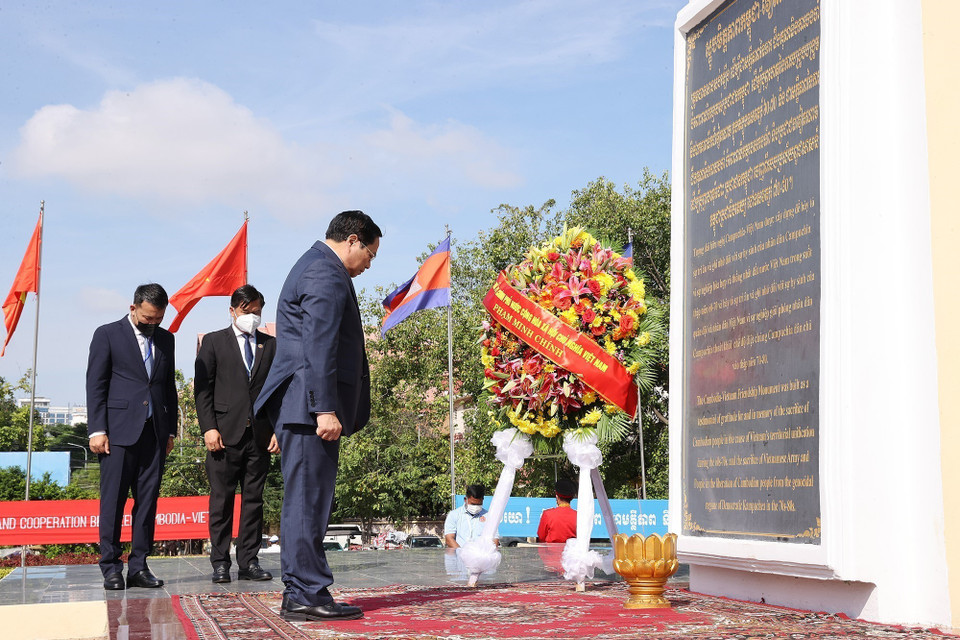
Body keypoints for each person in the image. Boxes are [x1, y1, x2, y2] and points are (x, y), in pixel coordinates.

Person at [254, 210, 380, 622]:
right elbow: (319, 346)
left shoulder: (313, 265)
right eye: (370, 255)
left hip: (302, 405)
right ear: (354, 240)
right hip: (311, 408)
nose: (368, 265)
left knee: (305, 501)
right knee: (308, 502)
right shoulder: (324, 273)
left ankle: (303, 590)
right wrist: (324, 408)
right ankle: (306, 592)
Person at [86, 283, 177, 590]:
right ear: (133, 307)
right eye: (148, 318)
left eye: (158, 319)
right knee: (112, 502)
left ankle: (139, 566)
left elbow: (168, 387)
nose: (153, 324)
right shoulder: (107, 334)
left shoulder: (166, 339)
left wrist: (171, 429)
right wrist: (97, 429)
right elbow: (96, 384)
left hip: (154, 433)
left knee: (147, 502)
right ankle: (111, 566)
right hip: (117, 434)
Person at [195, 284, 280, 584]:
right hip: (223, 437)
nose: (252, 317)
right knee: (221, 502)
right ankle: (220, 562)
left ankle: (249, 561)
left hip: (260, 436)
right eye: (247, 311)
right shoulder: (214, 342)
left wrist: (277, 430)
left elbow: (278, 393)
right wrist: (208, 428)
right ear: (232, 311)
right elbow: (202, 391)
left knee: (254, 501)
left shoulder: (270, 345)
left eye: (257, 311)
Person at [444, 484, 499, 548]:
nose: (475, 507)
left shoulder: (489, 516)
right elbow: (449, 539)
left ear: (483, 500)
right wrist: (461, 553)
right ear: (465, 499)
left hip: (481, 556)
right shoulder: (454, 515)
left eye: (479, 504)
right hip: (460, 555)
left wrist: (486, 553)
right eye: (473, 504)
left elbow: (495, 540)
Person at [537, 478, 578, 543]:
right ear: (572, 498)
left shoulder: (547, 514)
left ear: (557, 496)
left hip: (551, 552)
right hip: (571, 552)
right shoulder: (578, 516)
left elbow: (541, 537)